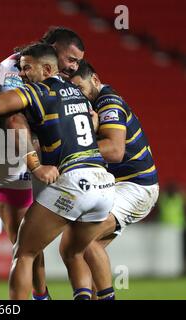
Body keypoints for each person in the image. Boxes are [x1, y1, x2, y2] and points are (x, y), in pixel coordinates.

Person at [0, 43, 115, 300]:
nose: (21, 74)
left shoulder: (40, 90)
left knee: (24, 253)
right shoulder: (78, 92)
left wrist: (35, 165)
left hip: (75, 182)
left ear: (46, 69)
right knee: (75, 252)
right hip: (103, 186)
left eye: (26, 68)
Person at [0, 26, 85, 300]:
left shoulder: (59, 80)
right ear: (52, 50)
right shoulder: (15, 69)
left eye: (78, 62)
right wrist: (37, 160)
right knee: (24, 245)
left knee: (48, 244)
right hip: (10, 162)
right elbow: (12, 116)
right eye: (70, 59)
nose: (74, 67)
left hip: (40, 161)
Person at [65, 61, 159, 299]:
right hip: (116, 186)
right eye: (72, 89)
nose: (77, 94)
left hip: (135, 186)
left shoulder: (108, 102)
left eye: (80, 87)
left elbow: (115, 150)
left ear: (95, 80)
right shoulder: (88, 106)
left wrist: (72, 147)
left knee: (83, 240)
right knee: (80, 248)